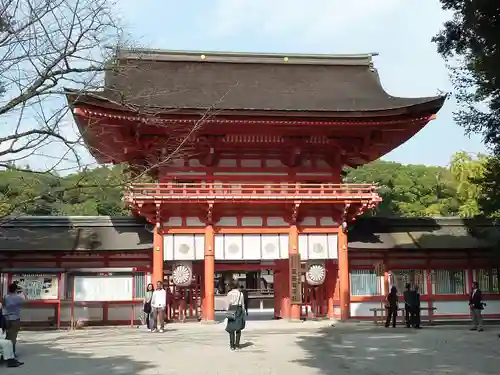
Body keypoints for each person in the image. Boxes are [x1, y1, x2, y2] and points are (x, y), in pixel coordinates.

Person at [2, 283, 27, 356]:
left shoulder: (6, 297)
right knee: (13, 337)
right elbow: (24, 302)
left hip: (6, 319)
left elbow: (3, 305)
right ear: (16, 290)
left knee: (7, 336)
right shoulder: (18, 298)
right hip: (15, 319)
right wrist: (23, 290)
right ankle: (11, 353)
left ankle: (6, 352)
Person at [225, 281, 246, 350]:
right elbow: (243, 304)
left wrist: (227, 312)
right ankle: (237, 345)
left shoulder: (229, 293)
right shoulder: (241, 294)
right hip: (239, 309)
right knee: (238, 328)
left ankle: (232, 345)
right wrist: (243, 312)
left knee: (231, 328)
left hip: (231, 309)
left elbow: (227, 304)